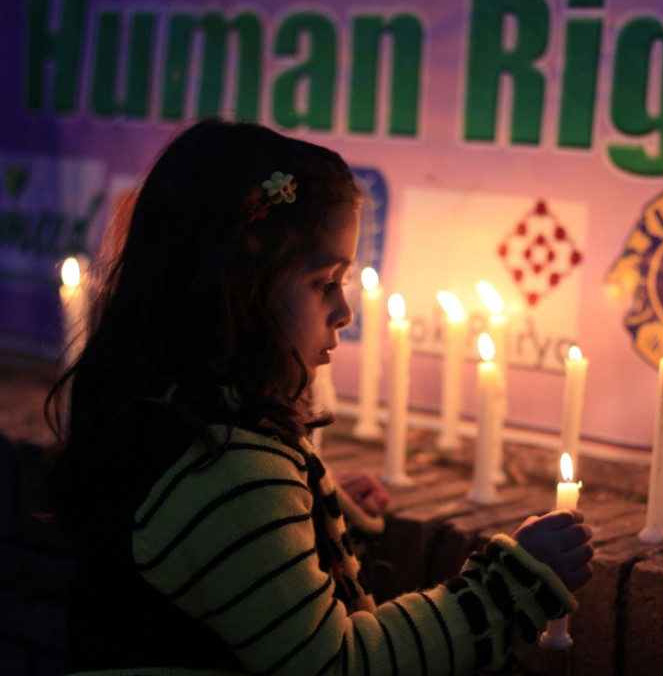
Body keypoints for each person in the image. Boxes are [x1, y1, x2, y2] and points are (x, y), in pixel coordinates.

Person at [45, 118, 594, 675]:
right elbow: (340, 664)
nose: (345, 312)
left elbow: (235, 568)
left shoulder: (169, 413)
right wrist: (518, 581)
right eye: (323, 283)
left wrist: (312, 509)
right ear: (238, 285)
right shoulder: (223, 470)